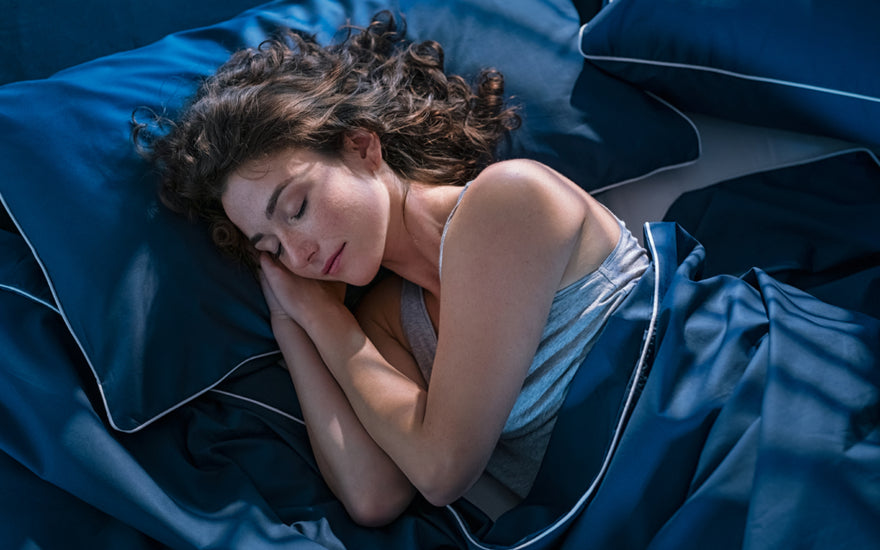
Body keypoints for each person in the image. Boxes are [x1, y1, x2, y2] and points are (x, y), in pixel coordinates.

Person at [134, 12, 649, 527]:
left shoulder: (508, 200)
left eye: (296, 209)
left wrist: (328, 323)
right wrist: (294, 324)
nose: (299, 256)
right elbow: (373, 495)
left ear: (362, 148)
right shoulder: (389, 323)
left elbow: (441, 470)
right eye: (270, 248)